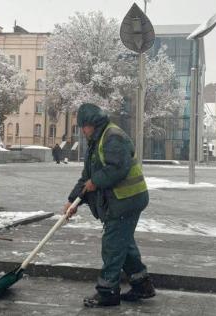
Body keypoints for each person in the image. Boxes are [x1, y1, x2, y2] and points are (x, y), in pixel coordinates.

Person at [63, 103, 155, 307]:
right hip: (120, 201)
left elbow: (117, 168)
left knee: (113, 245)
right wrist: (73, 201)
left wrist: (95, 182)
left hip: (127, 200)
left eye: (84, 126)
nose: (82, 131)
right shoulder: (97, 140)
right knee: (124, 243)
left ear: (93, 123)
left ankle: (108, 291)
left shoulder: (112, 136)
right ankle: (142, 284)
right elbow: (87, 177)